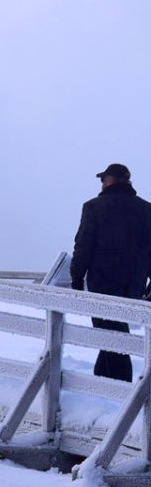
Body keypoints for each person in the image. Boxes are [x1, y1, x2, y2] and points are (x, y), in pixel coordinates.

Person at [70, 162, 151, 382]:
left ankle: (119, 386)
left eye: (103, 179)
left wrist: (76, 276)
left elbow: (84, 244)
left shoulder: (94, 207)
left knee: (111, 333)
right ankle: (101, 379)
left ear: (111, 180)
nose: (102, 184)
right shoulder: (146, 209)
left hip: (103, 282)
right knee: (113, 330)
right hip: (133, 283)